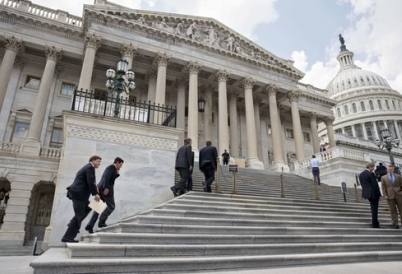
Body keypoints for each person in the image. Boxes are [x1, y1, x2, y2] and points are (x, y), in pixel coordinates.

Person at [62, 155, 101, 243]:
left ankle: (72, 223)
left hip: (80, 195)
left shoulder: (87, 168)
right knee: (78, 216)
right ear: (93, 160)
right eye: (98, 161)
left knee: (90, 207)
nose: (99, 164)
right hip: (78, 194)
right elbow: (90, 181)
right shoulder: (90, 167)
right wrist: (95, 194)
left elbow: (91, 182)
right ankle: (67, 237)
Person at [85, 157, 124, 234]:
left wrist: (117, 173)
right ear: (117, 162)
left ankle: (90, 226)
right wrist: (106, 188)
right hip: (106, 190)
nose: (121, 166)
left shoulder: (112, 169)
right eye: (121, 164)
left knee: (97, 209)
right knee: (111, 206)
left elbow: (110, 178)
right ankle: (101, 222)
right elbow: (106, 177)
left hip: (100, 189)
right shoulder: (111, 167)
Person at [359, 162, 382, 228]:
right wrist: (379, 195)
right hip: (373, 193)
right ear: (370, 167)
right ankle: (375, 223)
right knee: (374, 208)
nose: (374, 168)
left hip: (367, 193)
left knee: (373, 207)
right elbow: (375, 185)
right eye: (373, 167)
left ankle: (375, 222)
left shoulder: (361, 174)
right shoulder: (371, 173)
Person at [381, 164, 402, 229]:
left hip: (399, 195)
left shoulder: (398, 177)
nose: (389, 170)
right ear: (387, 170)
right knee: (392, 210)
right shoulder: (383, 177)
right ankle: (395, 223)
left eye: (391, 169)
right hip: (389, 196)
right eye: (388, 169)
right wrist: (385, 195)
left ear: (393, 170)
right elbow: (383, 187)